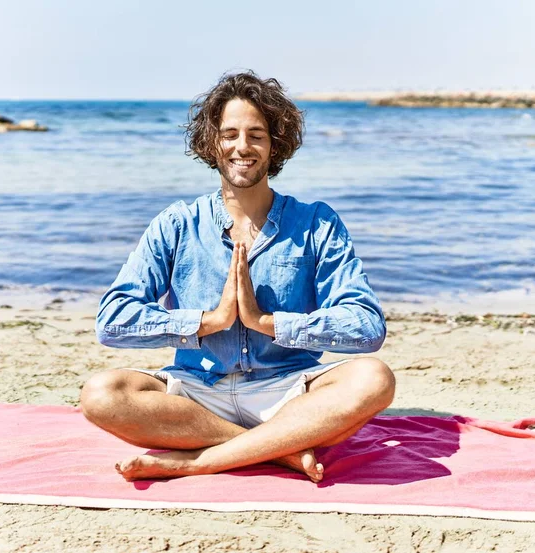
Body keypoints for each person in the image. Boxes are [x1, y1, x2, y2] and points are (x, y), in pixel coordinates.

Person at [80, 71, 395, 483]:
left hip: (289, 392)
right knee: (101, 394)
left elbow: (366, 325)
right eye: (229, 134)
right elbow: (112, 320)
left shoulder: (317, 223)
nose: (241, 147)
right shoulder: (177, 223)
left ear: (275, 144)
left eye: (256, 135)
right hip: (196, 394)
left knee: (374, 378)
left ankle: (202, 460)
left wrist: (267, 323)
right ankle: (277, 450)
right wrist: (207, 321)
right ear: (212, 143)